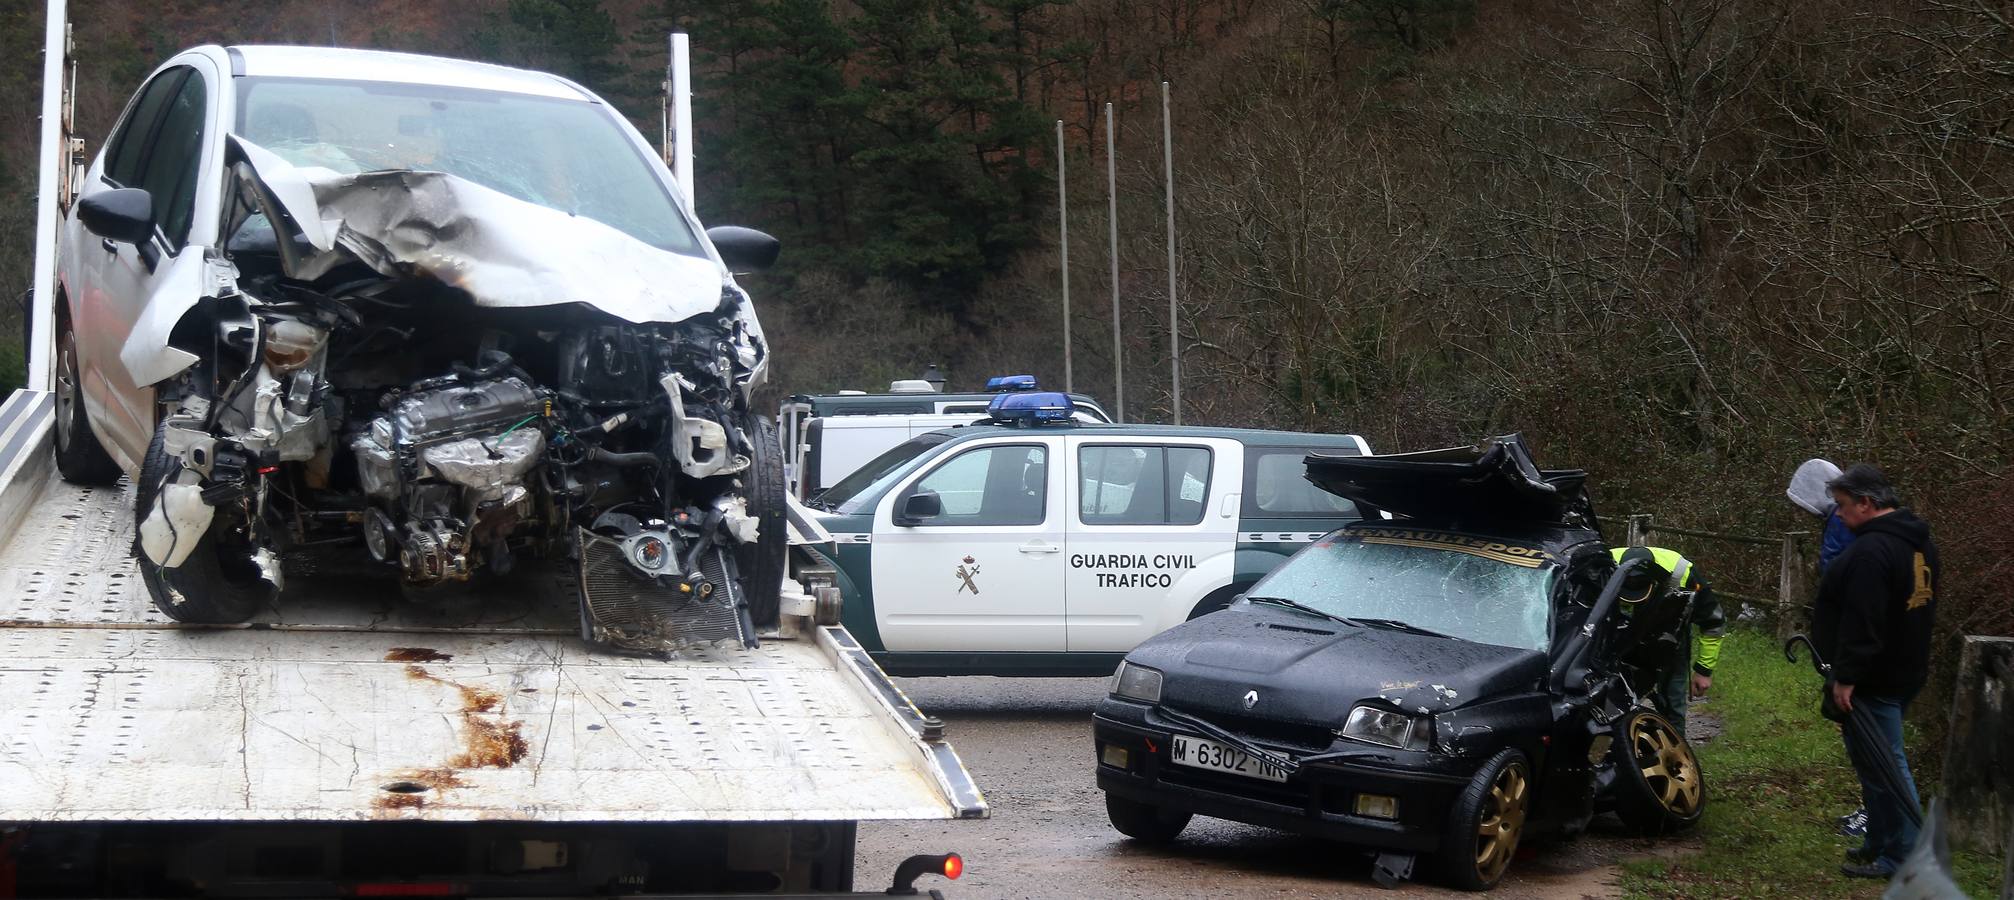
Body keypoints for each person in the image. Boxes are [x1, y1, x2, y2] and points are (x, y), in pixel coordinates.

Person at [1811, 463, 1938, 879]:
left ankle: (1906, 856)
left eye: (1844, 506)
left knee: (1887, 765)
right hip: (1903, 668)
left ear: (1867, 503)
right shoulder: (1916, 542)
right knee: (1873, 762)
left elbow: (1864, 621)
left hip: (1875, 677)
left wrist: (1847, 676)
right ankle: (1881, 843)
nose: (1840, 515)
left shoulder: (1872, 551)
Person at [1786, 457, 1867, 837]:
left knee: (1863, 731)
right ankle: (1873, 807)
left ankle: (1874, 810)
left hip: (1847, 648)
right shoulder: (1851, 522)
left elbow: (1836, 578)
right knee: (1859, 730)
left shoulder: (1840, 523)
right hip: (1847, 644)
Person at [1610, 545, 1726, 737]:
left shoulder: (1683, 574)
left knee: (1672, 702)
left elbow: (1713, 622)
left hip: (1669, 635)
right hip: (1615, 635)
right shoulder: (1603, 562)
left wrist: (1704, 670)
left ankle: (1675, 752)